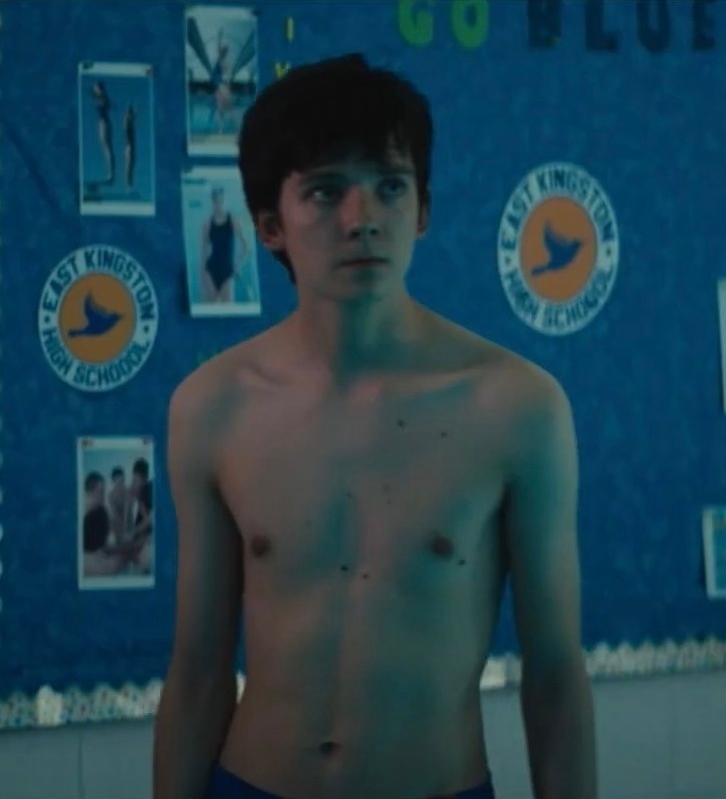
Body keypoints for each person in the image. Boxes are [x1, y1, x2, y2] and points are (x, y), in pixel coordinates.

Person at [153, 53, 596, 799]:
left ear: (421, 210)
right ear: (269, 224)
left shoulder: (516, 407)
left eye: (390, 186)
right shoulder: (212, 406)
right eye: (326, 191)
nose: (361, 219)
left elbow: (554, 673)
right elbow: (198, 671)